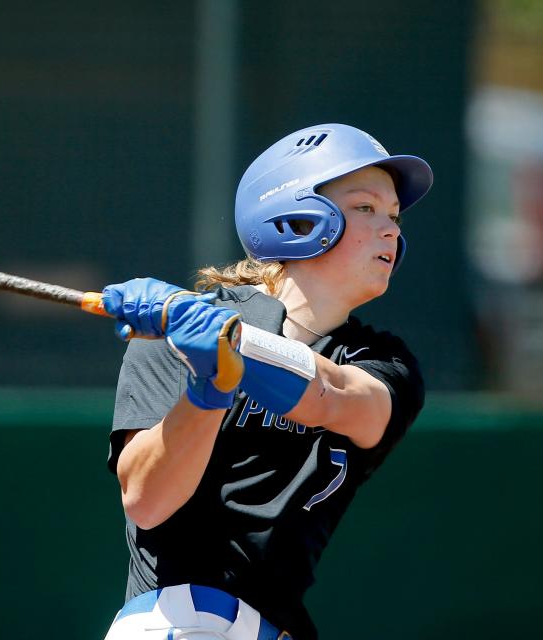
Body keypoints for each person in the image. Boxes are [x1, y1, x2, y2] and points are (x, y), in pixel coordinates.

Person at [98, 123, 433, 640]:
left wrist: (233, 353)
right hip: (176, 625)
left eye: (393, 216)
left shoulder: (384, 362)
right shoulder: (181, 332)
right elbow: (146, 498)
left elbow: (334, 397)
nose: (391, 230)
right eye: (366, 208)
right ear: (295, 218)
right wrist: (209, 389)